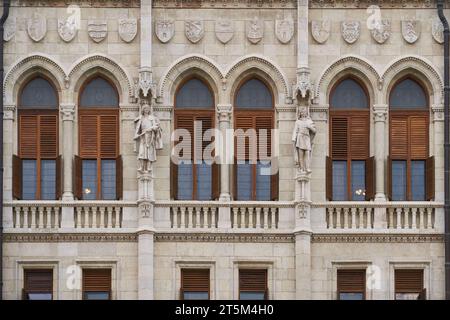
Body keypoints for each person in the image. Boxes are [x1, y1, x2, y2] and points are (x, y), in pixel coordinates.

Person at [134, 103, 163, 172]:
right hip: (143, 137)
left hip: (150, 136)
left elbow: (156, 127)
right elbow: (137, 127)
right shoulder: (141, 118)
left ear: (149, 110)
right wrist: (137, 135)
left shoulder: (152, 118)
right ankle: (141, 167)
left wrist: (151, 129)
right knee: (142, 152)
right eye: (145, 109)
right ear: (143, 110)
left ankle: (149, 166)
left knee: (150, 151)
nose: (146, 110)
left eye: (147, 109)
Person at [292, 108, 316, 173]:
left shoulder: (309, 121)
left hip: (307, 138)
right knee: (301, 154)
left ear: (306, 113)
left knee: (307, 153)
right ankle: (301, 168)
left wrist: (309, 127)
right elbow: (295, 131)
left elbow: (314, 131)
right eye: (302, 112)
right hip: (300, 137)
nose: (303, 113)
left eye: (304, 112)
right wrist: (294, 138)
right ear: (300, 113)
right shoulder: (298, 122)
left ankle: (307, 168)